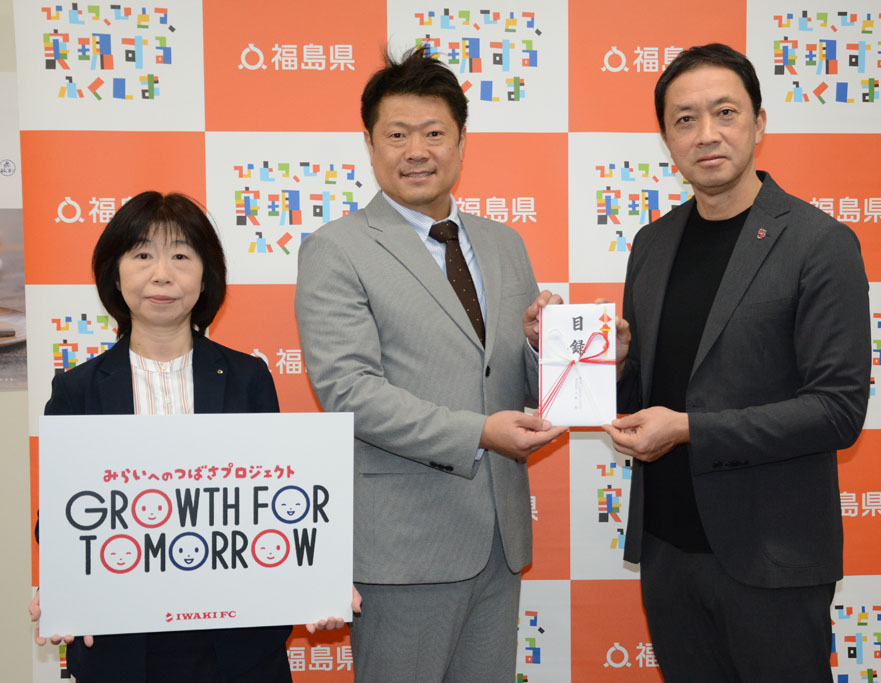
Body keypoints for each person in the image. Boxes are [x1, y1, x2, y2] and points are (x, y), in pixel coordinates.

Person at [295, 48, 566, 681]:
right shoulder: (337, 249)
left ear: (462, 142)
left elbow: (516, 384)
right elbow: (349, 392)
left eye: (434, 133)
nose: (416, 151)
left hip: (499, 540)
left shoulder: (504, 244)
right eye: (397, 135)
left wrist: (544, 347)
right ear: (370, 145)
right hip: (404, 547)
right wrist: (479, 433)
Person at [602, 43, 870, 680]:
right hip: (668, 553)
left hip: (772, 557)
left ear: (758, 122)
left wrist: (690, 429)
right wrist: (614, 367)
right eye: (685, 119)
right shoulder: (652, 243)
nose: (706, 134)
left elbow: (837, 412)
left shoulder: (819, 243)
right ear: (666, 138)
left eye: (725, 112)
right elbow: (641, 398)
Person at [29, 191, 357, 683]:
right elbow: (61, 519)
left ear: (206, 277)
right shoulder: (77, 388)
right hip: (121, 642)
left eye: (181, 256)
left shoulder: (248, 378)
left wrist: (315, 582)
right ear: (114, 275)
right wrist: (65, 587)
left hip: (237, 644)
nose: (162, 274)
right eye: (142, 255)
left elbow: (276, 504)